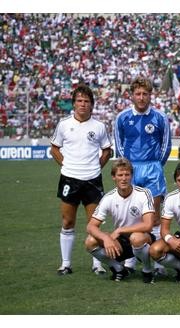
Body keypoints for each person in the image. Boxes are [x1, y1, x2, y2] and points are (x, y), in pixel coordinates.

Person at [50, 84, 112, 275]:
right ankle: (66, 263)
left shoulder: (99, 126)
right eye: (79, 101)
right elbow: (54, 148)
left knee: (94, 224)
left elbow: (107, 150)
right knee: (68, 221)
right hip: (70, 179)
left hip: (92, 180)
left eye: (86, 101)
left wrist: (96, 167)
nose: (83, 104)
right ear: (74, 104)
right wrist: (66, 165)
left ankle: (97, 264)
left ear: (91, 105)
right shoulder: (63, 125)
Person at [114, 76, 172, 273]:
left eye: (145, 94)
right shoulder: (122, 118)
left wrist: (156, 165)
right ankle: (130, 259)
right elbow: (119, 144)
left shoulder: (160, 117)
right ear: (131, 95)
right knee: (131, 216)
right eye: (137, 94)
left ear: (150, 95)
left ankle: (158, 262)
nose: (141, 97)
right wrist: (127, 168)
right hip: (130, 169)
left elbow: (166, 145)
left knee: (154, 216)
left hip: (152, 168)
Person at [84, 158, 156, 283]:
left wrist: (121, 229)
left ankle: (147, 270)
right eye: (120, 175)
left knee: (136, 238)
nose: (124, 178)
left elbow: (148, 225)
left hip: (143, 238)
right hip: (121, 241)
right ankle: (119, 269)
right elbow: (90, 226)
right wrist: (106, 238)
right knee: (90, 241)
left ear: (132, 176)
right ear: (113, 177)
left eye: (127, 175)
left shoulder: (143, 193)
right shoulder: (108, 198)